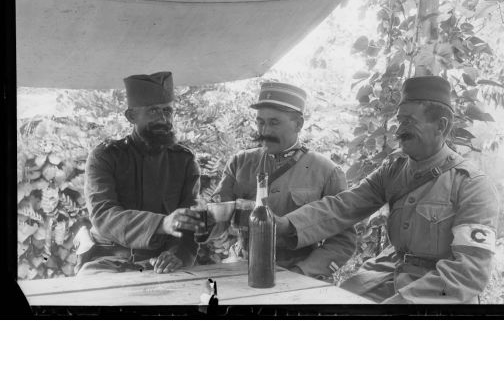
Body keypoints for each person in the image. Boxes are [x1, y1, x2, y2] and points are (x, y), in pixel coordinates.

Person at [275, 76, 499, 304]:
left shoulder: (472, 185)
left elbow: (468, 273)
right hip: (387, 275)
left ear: (441, 125)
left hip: (438, 292)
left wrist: (404, 302)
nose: (400, 130)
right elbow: (345, 206)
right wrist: (287, 225)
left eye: (409, 122)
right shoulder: (393, 171)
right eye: (400, 121)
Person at [214, 81, 356, 279]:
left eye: (274, 123)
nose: (265, 131)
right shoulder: (240, 162)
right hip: (242, 270)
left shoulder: (327, 172)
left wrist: (302, 273)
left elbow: (343, 241)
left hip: (297, 274)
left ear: (298, 124)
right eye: (260, 122)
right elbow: (217, 217)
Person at [76, 71, 205, 275]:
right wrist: (162, 223)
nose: (163, 118)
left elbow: (188, 226)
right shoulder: (105, 157)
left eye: (167, 111)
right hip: (108, 260)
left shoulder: (184, 161)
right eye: (153, 111)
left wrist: (177, 255)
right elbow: (103, 215)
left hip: (159, 263)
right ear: (131, 116)